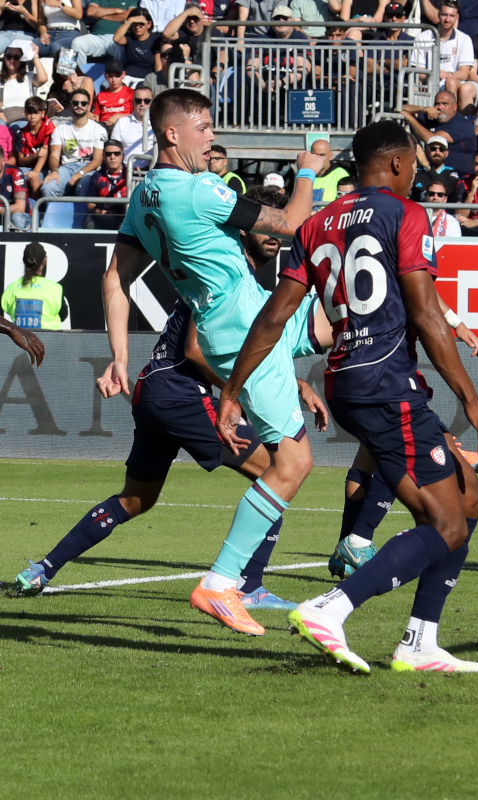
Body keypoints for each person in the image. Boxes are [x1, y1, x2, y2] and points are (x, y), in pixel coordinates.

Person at [241, 119, 478, 674]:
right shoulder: (405, 214)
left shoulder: (313, 225)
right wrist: (472, 401)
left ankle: (421, 641)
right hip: (386, 381)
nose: (417, 175)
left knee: (468, 494)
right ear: (400, 165)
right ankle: (331, 608)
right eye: (415, 165)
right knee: (448, 524)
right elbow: (427, 315)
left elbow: (275, 314)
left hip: (348, 381)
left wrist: (232, 388)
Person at [100, 88, 333, 636]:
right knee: (294, 465)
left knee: (349, 312)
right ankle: (223, 583)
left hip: (251, 318)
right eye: (202, 127)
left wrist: (119, 357)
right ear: (172, 134)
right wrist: (306, 171)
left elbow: (116, 279)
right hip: (245, 329)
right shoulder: (197, 190)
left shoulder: (145, 196)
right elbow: (292, 222)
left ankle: (414, 453)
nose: (211, 136)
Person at [10, 188, 314, 609]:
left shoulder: (231, 274)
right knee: (281, 472)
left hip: (156, 389)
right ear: (241, 229)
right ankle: (249, 586)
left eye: (277, 226)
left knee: (136, 499)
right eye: (265, 224)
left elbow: (251, 348)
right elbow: (194, 349)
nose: (272, 233)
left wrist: (295, 384)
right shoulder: (222, 271)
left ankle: (42, 568)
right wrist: (234, 391)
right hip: (180, 389)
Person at [413, 0, 478, 112]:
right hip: (429, 83)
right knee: (413, 85)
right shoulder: (422, 37)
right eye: (444, 15)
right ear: (439, 15)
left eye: (451, 16)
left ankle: (450, 117)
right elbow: (418, 70)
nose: (447, 19)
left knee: (451, 81)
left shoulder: (464, 39)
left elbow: (464, 73)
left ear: (457, 17)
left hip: (454, 84)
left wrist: (448, 74)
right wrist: (433, 74)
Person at [42, 88, 106, 197]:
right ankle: (54, 213)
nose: (79, 106)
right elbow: (54, 155)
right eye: (75, 103)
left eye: (83, 103)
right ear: (70, 105)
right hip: (67, 167)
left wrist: (80, 173)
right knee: (48, 187)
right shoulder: (60, 129)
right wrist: (54, 170)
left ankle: (81, 214)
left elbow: (98, 159)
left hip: (89, 168)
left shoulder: (98, 129)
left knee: (85, 186)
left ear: (88, 106)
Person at [402, 90, 478, 176]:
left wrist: (411, 119)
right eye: (437, 103)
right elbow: (401, 108)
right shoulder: (432, 117)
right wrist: (423, 109)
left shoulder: (462, 124)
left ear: (455, 106)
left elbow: (433, 140)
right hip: (434, 176)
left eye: (445, 104)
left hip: (461, 177)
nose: (440, 107)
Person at [1, 243, 67, 330]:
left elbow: (4, 310)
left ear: (24, 261)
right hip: (49, 341)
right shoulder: (56, 288)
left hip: (20, 341)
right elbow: (63, 315)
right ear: (44, 261)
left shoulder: (12, 287)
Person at [0, 40, 48, 123]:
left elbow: (43, 79)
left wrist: (35, 55)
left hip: (24, 117)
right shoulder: (1, 80)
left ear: (21, 60)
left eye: (16, 57)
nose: (12, 60)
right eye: (8, 56)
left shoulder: (28, 77)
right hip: (4, 116)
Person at [14, 96, 52, 194]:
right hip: (25, 168)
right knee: (12, 175)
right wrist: (35, 155)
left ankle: (35, 208)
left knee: (33, 179)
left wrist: (35, 171)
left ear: (43, 113)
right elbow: (21, 161)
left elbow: (44, 153)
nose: (32, 117)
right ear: (25, 113)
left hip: (45, 169)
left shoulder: (49, 129)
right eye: (29, 113)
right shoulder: (20, 133)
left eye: (36, 113)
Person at [86, 140, 128, 229]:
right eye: (108, 154)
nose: (112, 157)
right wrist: (100, 212)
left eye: (116, 153)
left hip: (126, 216)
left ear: (122, 156)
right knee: (89, 224)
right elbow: (90, 204)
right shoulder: (96, 176)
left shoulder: (131, 175)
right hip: (102, 216)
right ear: (103, 156)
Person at [111, 85, 156, 166]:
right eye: (138, 101)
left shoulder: (159, 123)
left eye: (147, 101)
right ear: (133, 102)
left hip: (152, 170)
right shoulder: (122, 122)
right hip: (126, 171)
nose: (142, 104)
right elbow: (113, 150)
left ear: (152, 103)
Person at [112, 7, 159, 79]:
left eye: (141, 24)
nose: (137, 27)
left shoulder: (156, 39)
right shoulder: (129, 38)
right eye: (135, 24)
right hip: (128, 77)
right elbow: (116, 39)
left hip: (146, 79)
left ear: (149, 24)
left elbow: (158, 66)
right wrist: (129, 21)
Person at [412, 134, 462, 201]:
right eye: (433, 149)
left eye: (441, 149)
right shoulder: (416, 172)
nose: (437, 152)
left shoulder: (453, 172)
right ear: (426, 152)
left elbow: (449, 188)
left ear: (446, 153)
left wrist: (427, 166)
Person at [308, 138, 350, 205]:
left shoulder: (340, 174)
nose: (318, 158)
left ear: (330, 156)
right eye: (315, 155)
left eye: (322, 155)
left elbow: (345, 205)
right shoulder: (305, 175)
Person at [1, 156, 31, 229]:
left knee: (17, 218)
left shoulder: (14, 172)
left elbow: (20, 208)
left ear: (3, 160)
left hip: (18, 215)